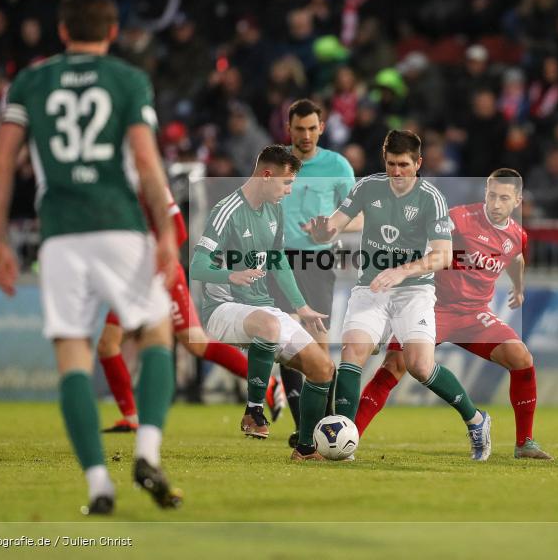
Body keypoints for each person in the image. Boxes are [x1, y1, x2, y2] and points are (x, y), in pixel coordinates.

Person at [0, 0, 181, 515]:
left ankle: (99, 485)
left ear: (63, 31)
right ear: (113, 32)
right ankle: (147, 452)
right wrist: (165, 229)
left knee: (72, 354)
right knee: (157, 331)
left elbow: (3, 163)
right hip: (119, 225)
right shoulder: (127, 79)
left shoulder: (29, 81)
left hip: (60, 234)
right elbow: (144, 161)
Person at [306, 130, 493, 461]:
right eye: (391, 164)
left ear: (418, 163)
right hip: (371, 287)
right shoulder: (368, 187)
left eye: (404, 165)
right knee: (353, 350)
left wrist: (401, 270)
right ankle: (343, 440)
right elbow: (337, 222)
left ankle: (476, 420)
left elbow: (443, 256)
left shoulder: (431, 198)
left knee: (420, 366)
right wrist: (323, 230)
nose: (396, 172)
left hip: (414, 290)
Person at [354, 169, 552, 460]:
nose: (496, 203)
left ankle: (525, 443)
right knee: (394, 365)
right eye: (492, 195)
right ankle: (350, 437)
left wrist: (519, 288)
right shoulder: (459, 218)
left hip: (474, 316)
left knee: (521, 358)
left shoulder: (516, 235)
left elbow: (516, 259)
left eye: (504, 198)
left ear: (518, 200)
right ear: (485, 191)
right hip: (434, 308)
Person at [95, 187, 284, 433]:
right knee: (110, 344)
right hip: (131, 279)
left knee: (193, 343)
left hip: (160, 275)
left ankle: (267, 382)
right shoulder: (112, 187)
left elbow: (180, 233)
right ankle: (131, 418)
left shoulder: (150, 183)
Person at [189, 144, 336, 461]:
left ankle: (306, 448)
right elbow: (197, 266)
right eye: (286, 183)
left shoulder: (275, 209)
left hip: (262, 308)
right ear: (267, 175)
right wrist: (231, 275)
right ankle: (253, 411)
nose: (289, 190)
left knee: (323, 368)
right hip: (222, 309)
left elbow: (278, 260)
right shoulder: (226, 211)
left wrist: (301, 307)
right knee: (268, 326)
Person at [267, 99, 361, 447]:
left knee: (318, 347)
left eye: (311, 128)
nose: (305, 135)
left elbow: (359, 214)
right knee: (287, 343)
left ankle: (330, 424)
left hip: (318, 262)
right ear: (288, 129)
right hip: (279, 261)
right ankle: (304, 430)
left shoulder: (336, 165)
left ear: (321, 127)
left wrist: (331, 228)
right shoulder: (275, 164)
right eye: (299, 129)